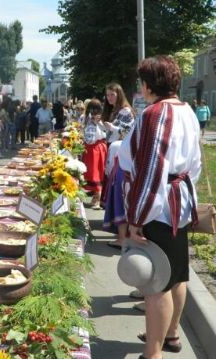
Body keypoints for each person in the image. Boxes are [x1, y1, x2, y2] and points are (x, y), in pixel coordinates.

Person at [119, 55, 201, 359]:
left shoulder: (156, 113)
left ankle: (152, 353)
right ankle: (171, 334)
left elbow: (151, 168)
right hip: (177, 205)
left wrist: (137, 218)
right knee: (178, 275)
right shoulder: (186, 110)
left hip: (157, 207)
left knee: (156, 284)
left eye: (142, 81)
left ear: (149, 84)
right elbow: (195, 165)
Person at [81, 99, 107, 209]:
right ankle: (96, 197)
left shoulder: (98, 120)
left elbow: (91, 138)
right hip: (93, 148)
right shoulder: (91, 119)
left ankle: (98, 198)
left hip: (95, 148)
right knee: (93, 171)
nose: (93, 112)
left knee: (96, 172)